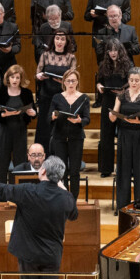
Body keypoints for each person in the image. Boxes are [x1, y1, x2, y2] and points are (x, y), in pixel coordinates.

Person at [112, 67, 140, 210]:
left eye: (137, 80)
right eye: (131, 80)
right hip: (124, 135)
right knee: (123, 171)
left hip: (139, 136)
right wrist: (112, 115)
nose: (134, 83)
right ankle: (123, 206)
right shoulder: (121, 96)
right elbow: (114, 115)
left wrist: (137, 121)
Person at [49, 69, 90, 198]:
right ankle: (62, 198)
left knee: (74, 171)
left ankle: (73, 199)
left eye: (73, 81)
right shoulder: (57, 97)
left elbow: (87, 119)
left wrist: (79, 121)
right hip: (59, 137)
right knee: (62, 171)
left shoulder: (84, 98)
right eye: (68, 81)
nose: (71, 83)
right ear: (64, 82)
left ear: (77, 82)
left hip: (76, 138)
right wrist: (53, 117)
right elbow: (48, 117)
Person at [34, 29, 77, 149]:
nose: (59, 41)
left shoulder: (71, 57)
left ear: (66, 41)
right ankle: (42, 152)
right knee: (44, 124)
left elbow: (73, 79)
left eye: (62, 39)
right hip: (46, 94)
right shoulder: (45, 55)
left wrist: (65, 81)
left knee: (60, 125)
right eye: (57, 38)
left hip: (63, 96)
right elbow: (37, 74)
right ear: (53, 40)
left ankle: (60, 152)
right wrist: (39, 76)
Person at [96, 40, 132, 177]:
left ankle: (124, 168)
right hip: (108, 100)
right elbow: (99, 82)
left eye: (115, 50)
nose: (113, 53)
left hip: (123, 101)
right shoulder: (103, 65)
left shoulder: (128, 64)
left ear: (120, 51)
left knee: (124, 136)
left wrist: (124, 90)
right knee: (106, 135)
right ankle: (106, 169)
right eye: (110, 50)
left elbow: (132, 83)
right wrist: (99, 86)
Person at [0, 65, 37, 182]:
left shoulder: (27, 93)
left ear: (21, 79)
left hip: (20, 132)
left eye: (17, 78)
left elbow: (33, 111)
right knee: (2, 164)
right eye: (12, 77)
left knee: (20, 164)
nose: (15, 80)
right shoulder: (0, 92)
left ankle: (18, 192)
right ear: (8, 78)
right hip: (4, 132)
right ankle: (2, 193)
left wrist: (33, 113)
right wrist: (4, 115)